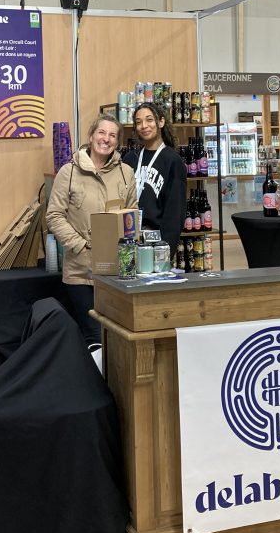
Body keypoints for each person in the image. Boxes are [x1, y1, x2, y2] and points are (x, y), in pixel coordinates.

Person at [47, 113, 137, 348]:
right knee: (95, 336)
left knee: (118, 335)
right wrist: (80, 245)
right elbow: (54, 215)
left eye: (112, 135)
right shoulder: (69, 172)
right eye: (101, 132)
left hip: (116, 273)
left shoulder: (126, 173)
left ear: (118, 142)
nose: (106, 139)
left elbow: (132, 216)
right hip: (80, 272)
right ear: (90, 136)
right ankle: (97, 383)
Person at [123, 102, 186, 257]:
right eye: (138, 122)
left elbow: (175, 212)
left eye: (149, 120)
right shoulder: (131, 158)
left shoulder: (172, 160)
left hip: (156, 241)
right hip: (128, 237)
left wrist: (165, 251)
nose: (144, 126)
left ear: (161, 122)